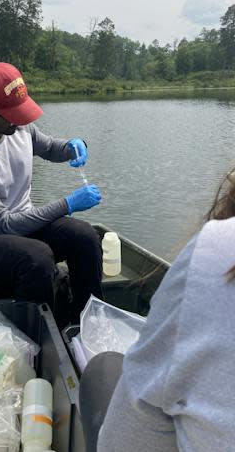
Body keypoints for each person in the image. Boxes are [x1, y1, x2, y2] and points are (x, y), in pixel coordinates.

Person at [0, 62, 103, 322]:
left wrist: (74, 145)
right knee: (38, 259)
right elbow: (4, 224)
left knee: (85, 236)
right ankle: (37, 337)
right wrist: (68, 204)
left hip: (24, 223)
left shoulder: (17, 127)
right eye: (9, 113)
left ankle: (89, 322)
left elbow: (50, 147)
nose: (18, 121)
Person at [97, 168, 235, 452]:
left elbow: (119, 442)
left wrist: (70, 150)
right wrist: (65, 206)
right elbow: (1, 220)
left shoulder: (218, 250)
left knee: (103, 367)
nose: (18, 128)